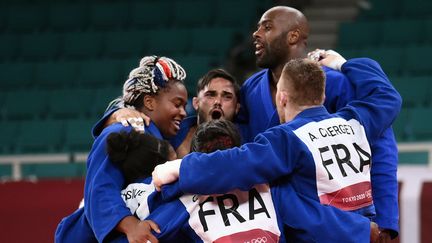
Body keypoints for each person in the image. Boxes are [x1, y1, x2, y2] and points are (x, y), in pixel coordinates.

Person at [152, 53, 401, 241]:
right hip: (367, 227)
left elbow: (237, 164)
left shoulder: (286, 138)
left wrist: (181, 168)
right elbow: (387, 97)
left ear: (281, 98)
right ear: (323, 96)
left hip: (331, 235)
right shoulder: (354, 119)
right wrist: (344, 63)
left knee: (281, 194)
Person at [235, 6, 399, 240]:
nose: (256, 33)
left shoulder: (334, 83)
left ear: (293, 36)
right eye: (258, 26)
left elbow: (380, 149)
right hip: (275, 225)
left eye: (267, 27)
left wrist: (385, 221)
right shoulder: (251, 88)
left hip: (335, 223)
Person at [112, 119, 380, 242]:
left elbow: (151, 231)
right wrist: (361, 230)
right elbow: (315, 219)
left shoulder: (180, 197)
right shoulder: (271, 189)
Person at [55, 55, 188, 243]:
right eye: (177, 104)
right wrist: (130, 226)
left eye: (185, 105)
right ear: (150, 102)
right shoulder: (121, 129)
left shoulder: (163, 137)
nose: (183, 112)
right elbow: (100, 188)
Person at [96, 68, 241, 158]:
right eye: (211, 95)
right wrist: (117, 112)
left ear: (237, 107)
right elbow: (129, 125)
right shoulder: (171, 130)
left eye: (227, 96)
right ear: (196, 103)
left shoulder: (248, 138)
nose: (218, 102)